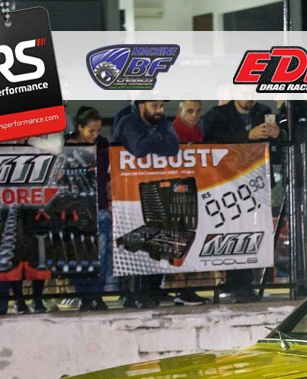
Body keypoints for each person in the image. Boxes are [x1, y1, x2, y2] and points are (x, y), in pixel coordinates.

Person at [112, 100, 195, 307]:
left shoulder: (164, 122)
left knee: (158, 237)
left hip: (152, 191)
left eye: (161, 106)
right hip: (125, 193)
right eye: (154, 106)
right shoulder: (127, 122)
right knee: (135, 245)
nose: (159, 110)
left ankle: (152, 290)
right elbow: (138, 149)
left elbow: (173, 147)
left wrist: (153, 139)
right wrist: (158, 139)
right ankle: (132, 293)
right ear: (141, 105)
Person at [202, 98, 283, 302]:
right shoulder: (217, 114)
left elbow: (283, 140)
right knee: (233, 231)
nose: (249, 99)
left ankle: (245, 283)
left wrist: (278, 134)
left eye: (252, 94)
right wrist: (247, 135)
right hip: (227, 183)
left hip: (257, 181)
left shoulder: (264, 110)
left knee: (253, 232)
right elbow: (213, 141)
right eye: (244, 94)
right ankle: (237, 285)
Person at [66, 106, 111, 311]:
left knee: (101, 253)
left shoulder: (102, 144)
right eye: (91, 131)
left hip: (99, 205)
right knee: (79, 254)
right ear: (80, 128)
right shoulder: (66, 145)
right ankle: (84, 296)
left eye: (98, 130)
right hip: (74, 208)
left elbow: (109, 176)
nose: (95, 135)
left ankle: (97, 294)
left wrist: (110, 201)